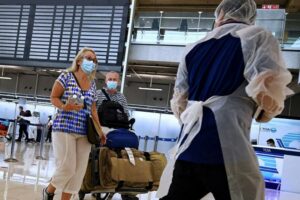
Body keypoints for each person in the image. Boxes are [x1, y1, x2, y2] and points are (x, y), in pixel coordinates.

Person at [157, 1, 293, 200]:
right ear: (251, 15)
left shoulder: (193, 47)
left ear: (219, 14)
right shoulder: (258, 37)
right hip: (228, 148)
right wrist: (264, 112)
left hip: (189, 146)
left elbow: (179, 101)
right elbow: (269, 91)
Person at [42, 47, 106, 200]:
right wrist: (65, 106)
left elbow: (93, 110)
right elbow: (53, 97)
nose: (92, 62)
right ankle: (49, 191)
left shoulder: (92, 84)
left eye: (94, 60)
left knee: (78, 172)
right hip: (64, 126)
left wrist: (100, 131)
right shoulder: (66, 76)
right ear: (79, 61)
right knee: (67, 167)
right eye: (89, 58)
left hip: (85, 131)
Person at [96, 72, 137, 200]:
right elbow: (92, 113)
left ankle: (127, 190)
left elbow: (125, 116)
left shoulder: (121, 97)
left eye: (114, 79)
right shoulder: (97, 94)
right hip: (102, 127)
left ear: (118, 82)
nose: (112, 81)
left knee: (130, 146)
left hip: (119, 129)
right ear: (105, 80)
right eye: (110, 79)